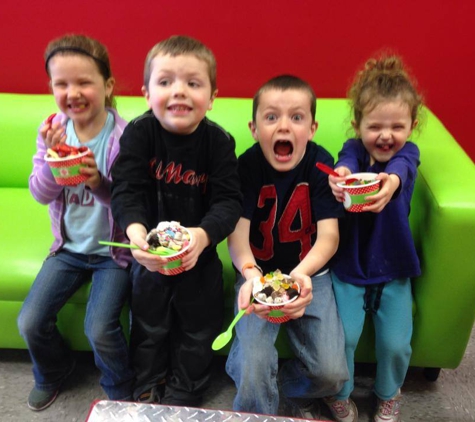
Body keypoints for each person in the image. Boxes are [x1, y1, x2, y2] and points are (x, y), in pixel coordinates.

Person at [110, 35, 242, 407]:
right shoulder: (139, 133)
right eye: (165, 81)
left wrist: (202, 237)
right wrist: (136, 235)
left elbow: (229, 202)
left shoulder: (219, 143)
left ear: (212, 97)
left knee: (198, 328)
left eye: (193, 83)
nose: (179, 91)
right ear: (146, 94)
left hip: (199, 258)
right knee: (148, 324)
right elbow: (126, 189)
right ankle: (148, 381)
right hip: (150, 258)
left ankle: (187, 385)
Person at [17, 34, 134, 411]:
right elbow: (40, 193)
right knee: (30, 322)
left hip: (112, 252)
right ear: (51, 87)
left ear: (108, 86)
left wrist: (97, 181)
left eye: (84, 82)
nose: (73, 92)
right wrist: (54, 161)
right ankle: (53, 370)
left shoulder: (124, 136)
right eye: (61, 83)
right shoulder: (52, 129)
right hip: (67, 249)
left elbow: (132, 202)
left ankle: (120, 387)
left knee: (99, 328)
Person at [225, 75, 348, 418]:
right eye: (271, 117)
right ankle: (257, 410)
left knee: (332, 374)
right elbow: (237, 235)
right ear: (254, 128)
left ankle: (283, 390)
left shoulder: (321, 164)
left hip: (311, 274)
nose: (284, 126)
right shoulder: (246, 166)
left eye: (296, 117)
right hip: (258, 275)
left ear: (311, 127)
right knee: (252, 367)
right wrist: (250, 275)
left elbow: (329, 237)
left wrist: (298, 277)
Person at [324, 55, 423, 422]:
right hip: (349, 263)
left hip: (393, 265)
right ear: (358, 124)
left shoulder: (407, 155)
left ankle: (388, 392)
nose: (386, 135)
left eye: (397, 126)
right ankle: (340, 392)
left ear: (412, 126)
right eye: (375, 126)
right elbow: (345, 159)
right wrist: (342, 175)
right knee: (344, 339)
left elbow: (403, 167)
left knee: (396, 344)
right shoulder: (354, 150)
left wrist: (391, 182)